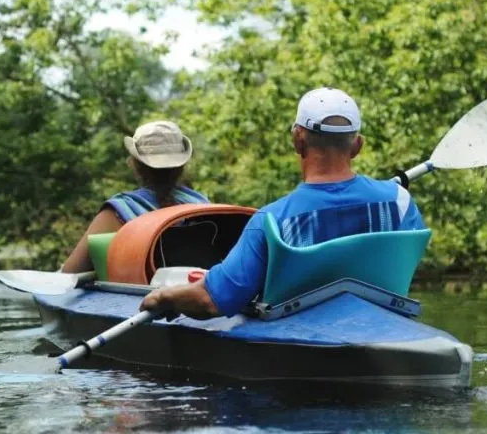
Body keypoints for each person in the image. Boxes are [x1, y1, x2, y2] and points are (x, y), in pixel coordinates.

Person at [141, 87, 425, 319]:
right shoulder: (400, 202)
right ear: (357, 146)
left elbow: (211, 301)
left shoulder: (271, 221)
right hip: (385, 325)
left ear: (297, 140)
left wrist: (166, 296)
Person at [61, 120, 209, 273]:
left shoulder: (118, 212)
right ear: (182, 166)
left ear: (134, 164)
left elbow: (69, 274)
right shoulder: (201, 204)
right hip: (198, 293)